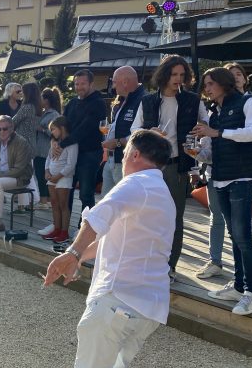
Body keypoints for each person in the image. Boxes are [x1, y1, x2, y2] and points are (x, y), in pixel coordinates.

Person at [43, 129, 174, 368]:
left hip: (119, 299)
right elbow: (108, 239)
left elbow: (98, 216)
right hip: (148, 306)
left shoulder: (136, 184)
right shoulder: (160, 191)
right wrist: (79, 259)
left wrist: (70, 254)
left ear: (132, 154)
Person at [192, 67, 252, 316]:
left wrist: (218, 132)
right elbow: (214, 152)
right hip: (220, 178)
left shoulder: (248, 102)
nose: (207, 88)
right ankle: (238, 286)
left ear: (224, 83)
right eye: (205, 84)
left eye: (211, 83)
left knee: (243, 235)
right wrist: (196, 154)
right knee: (234, 234)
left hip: (243, 177)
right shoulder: (214, 113)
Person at [132, 55, 208, 281]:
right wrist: (150, 132)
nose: (178, 79)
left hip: (177, 166)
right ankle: (147, 262)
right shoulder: (148, 101)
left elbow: (207, 127)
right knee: (147, 217)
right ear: (164, 75)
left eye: (182, 75)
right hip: (150, 166)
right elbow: (134, 131)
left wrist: (200, 133)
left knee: (174, 218)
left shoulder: (194, 101)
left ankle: (169, 266)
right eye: (174, 74)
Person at [59, 69, 107, 222]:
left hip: (89, 154)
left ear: (91, 84)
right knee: (66, 190)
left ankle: (85, 228)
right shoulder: (72, 102)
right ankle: (62, 227)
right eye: (76, 83)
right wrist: (55, 140)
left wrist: (62, 144)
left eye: (83, 84)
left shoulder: (98, 103)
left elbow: (85, 129)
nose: (79, 87)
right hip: (70, 153)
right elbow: (62, 124)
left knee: (86, 194)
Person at [101, 66, 144, 198]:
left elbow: (143, 133)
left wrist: (117, 142)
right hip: (112, 160)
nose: (113, 87)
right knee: (105, 203)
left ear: (125, 82)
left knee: (122, 204)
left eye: (114, 82)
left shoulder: (143, 100)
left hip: (127, 162)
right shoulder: (123, 99)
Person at [42, 117, 77, 243]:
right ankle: (56, 229)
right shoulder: (54, 143)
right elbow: (48, 158)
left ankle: (64, 232)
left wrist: (58, 176)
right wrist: (47, 171)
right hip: (52, 178)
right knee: (54, 204)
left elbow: (70, 165)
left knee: (63, 205)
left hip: (63, 179)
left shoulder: (72, 144)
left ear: (62, 129)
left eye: (53, 129)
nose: (52, 132)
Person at [35, 87, 61, 209]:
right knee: (41, 175)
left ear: (47, 100)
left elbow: (57, 133)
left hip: (46, 151)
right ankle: (48, 201)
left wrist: (42, 129)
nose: (39, 100)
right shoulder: (43, 112)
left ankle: (44, 201)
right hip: (39, 149)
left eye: (41, 98)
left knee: (42, 176)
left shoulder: (54, 114)